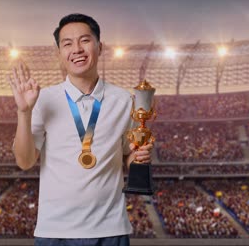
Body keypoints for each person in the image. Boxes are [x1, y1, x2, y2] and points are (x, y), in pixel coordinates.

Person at [9, 13, 153, 246]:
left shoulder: (124, 101)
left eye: (85, 40)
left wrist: (139, 157)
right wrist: (24, 112)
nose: (77, 49)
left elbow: (128, 156)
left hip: (110, 228)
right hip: (55, 230)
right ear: (59, 54)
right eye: (67, 43)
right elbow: (25, 162)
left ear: (99, 46)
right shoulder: (42, 99)